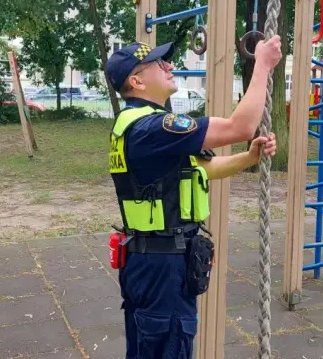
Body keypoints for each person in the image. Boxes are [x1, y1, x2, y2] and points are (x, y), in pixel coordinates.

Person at [104, 36, 283, 359]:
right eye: (159, 63)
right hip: (162, 267)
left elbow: (201, 168)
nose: (169, 65)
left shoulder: (138, 126)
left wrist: (248, 158)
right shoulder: (153, 129)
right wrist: (263, 66)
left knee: (151, 347)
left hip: (150, 260)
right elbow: (240, 126)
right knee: (168, 345)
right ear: (137, 80)